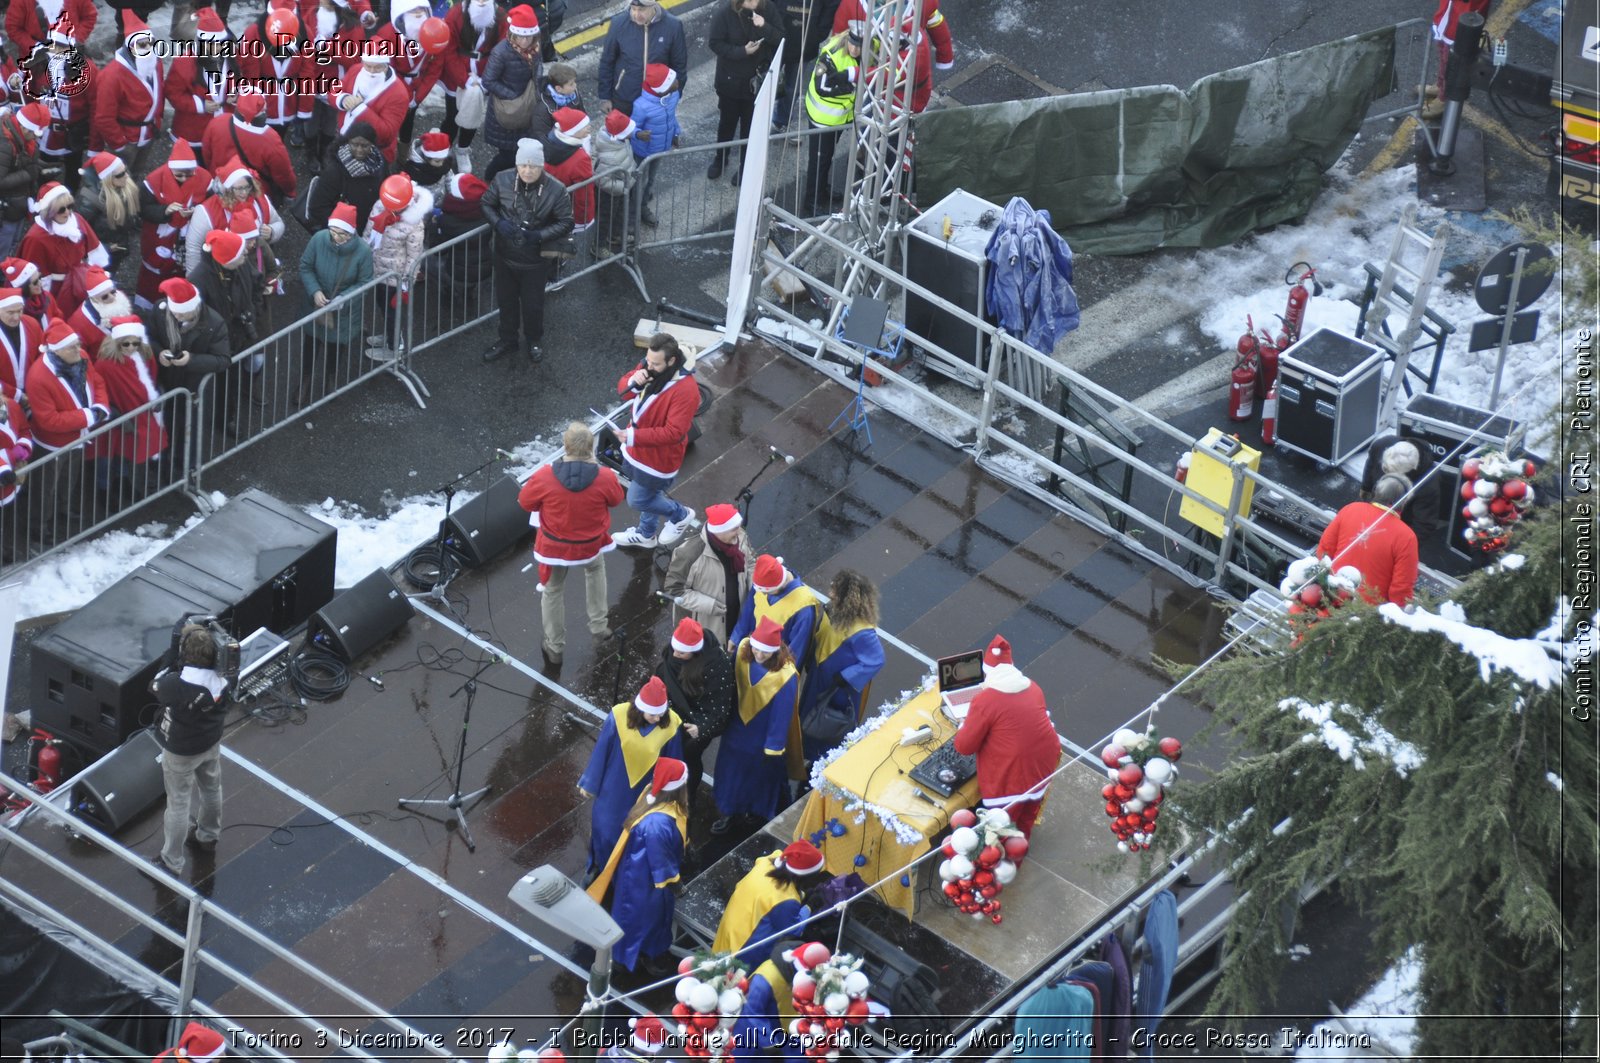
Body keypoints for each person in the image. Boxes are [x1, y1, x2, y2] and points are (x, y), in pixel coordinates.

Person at [517, 421, 625, 663]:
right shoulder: (605, 477)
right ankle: (599, 627)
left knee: (553, 591)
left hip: (554, 547)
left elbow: (525, 502)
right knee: (596, 569)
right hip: (589, 545)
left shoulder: (545, 475)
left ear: (565, 445)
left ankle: (554, 647)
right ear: (591, 447)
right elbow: (617, 499)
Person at [585, 756, 689, 976]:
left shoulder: (653, 798)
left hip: (638, 872)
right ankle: (639, 956)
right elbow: (660, 860)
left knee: (634, 916)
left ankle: (635, 953)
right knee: (645, 919)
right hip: (646, 880)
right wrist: (675, 882)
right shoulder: (658, 824)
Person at [952, 634, 1060, 839]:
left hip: (1011, 775)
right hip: (1042, 767)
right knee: (1025, 821)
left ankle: (997, 866)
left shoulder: (985, 700)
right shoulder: (1033, 687)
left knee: (999, 832)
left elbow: (964, 746)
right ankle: (1019, 853)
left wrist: (964, 724)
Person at [577, 675, 684, 878]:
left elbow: (673, 763)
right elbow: (602, 750)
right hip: (614, 786)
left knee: (633, 835)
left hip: (646, 791)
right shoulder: (618, 716)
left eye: (661, 714)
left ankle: (619, 877)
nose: (658, 719)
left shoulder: (672, 727)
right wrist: (590, 783)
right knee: (605, 828)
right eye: (653, 715)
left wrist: (667, 796)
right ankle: (598, 865)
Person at [150, 619, 235, 875]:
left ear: (186, 654)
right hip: (210, 741)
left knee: (178, 803)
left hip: (181, 751)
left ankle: (171, 861)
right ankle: (208, 836)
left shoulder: (175, 686)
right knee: (211, 788)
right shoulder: (227, 677)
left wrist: (175, 643)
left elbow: (155, 683)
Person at [479, 137, 573, 365]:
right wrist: (498, 223)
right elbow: (486, 203)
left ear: (541, 166)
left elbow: (566, 222)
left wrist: (539, 235)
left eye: (533, 166)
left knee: (533, 306)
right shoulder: (502, 179)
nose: (527, 171)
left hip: (535, 261)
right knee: (506, 302)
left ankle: (534, 340)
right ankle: (507, 339)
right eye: (523, 165)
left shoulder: (556, 189)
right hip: (504, 255)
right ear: (516, 165)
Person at [611, 333, 698, 549]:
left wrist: (633, 437)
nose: (648, 366)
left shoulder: (687, 390)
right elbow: (624, 391)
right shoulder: (650, 365)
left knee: (637, 500)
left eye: (655, 363)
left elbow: (673, 433)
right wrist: (634, 381)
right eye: (647, 360)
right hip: (639, 451)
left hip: (658, 459)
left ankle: (680, 515)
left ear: (671, 361)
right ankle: (646, 533)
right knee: (650, 495)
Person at [714, 615, 798, 834]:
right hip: (735, 728)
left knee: (756, 778)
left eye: (765, 651)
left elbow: (782, 714)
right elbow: (727, 682)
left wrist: (774, 746)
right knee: (730, 773)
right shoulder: (744, 650)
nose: (759, 655)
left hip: (760, 737)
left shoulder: (786, 675)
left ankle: (753, 811)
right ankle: (730, 811)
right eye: (756, 649)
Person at [796, 569, 883, 760]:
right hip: (820, 675)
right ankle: (807, 752)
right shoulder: (833, 610)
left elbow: (876, 659)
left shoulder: (862, 630)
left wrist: (846, 677)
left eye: (835, 589)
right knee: (811, 714)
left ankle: (823, 759)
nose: (830, 592)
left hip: (839, 688)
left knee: (830, 722)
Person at [142, 276, 231, 456]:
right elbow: (148, 337)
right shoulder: (161, 311)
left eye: (182, 314)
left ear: (194, 308)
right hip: (164, 381)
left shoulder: (214, 323)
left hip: (191, 387)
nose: (177, 317)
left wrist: (191, 360)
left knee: (188, 429)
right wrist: (159, 353)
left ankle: (185, 465)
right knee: (163, 426)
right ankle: (163, 465)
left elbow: (223, 360)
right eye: (175, 313)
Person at [296, 202, 373, 404]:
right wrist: (315, 291)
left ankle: (330, 380)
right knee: (311, 345)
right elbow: (305, 266)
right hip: (317, 305)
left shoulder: (363, 252)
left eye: (342, 234)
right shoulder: (319, 239)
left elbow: (365, 282)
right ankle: (305, 380)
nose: (336, 238)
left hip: (344, 312)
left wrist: (343, 298)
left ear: (351, 233)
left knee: (336, 348)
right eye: (333, 232)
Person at [655, 617, 734, 815]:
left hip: (695, 725)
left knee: (689, 760)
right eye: (674, 649)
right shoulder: (676, 654)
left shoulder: (717, 666)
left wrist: (701, 728)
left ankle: (687, 798)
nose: (674, 654)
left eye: (681, 652)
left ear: (695, 651)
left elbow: (720, 708)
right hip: (671, 717)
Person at [712, 839, 827, 968]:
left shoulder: (765, 863)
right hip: (743, 952)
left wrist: (802, 894)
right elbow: (793, 930)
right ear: (803, 876)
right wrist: (809, 907)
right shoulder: (785, 899)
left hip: (728, 934)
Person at [707, 0, 784, 181]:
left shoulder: (768, 9)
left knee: (749, 128)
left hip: (756, 82)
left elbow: (780, 37)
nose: (754, 3)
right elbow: (715, 43)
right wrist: (742, 51)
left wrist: (764, 26)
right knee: (727, 124)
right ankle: (721, 158)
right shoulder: (725, 13)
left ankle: (745, 165)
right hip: (730, 81)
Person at [1315, 474, 1420, 607]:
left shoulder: (1350, 509)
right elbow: (1400, 590)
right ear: (1404, 502)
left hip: (1330, 596)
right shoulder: (1407, 536)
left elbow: (1323, 553)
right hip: (1365, 614)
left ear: (1376, 491)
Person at [92, 316, 168, 496]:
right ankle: (104, 490)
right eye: (126, 344)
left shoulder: (144, 355)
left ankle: (122, 483)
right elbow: (99, 392)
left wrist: (158, 395)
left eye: (136, 343)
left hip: (137, 414)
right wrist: (116, 415)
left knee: (126, 454)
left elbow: (152, 378)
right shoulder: (104, 365)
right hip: (114, 417)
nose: (131, 348)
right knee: (106, 456)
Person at [135, 140, 211, 309]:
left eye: (189, 174)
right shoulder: (153, 181)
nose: (184, 179)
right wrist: (165, 211)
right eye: (179, 175)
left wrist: (196, 212)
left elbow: (211, 205)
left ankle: (183, 303)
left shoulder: (205, 178)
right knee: (155, 270)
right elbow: (143, 210)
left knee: (187, 268)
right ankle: (150, 306)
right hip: (160, 236)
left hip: (189, 234)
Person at [17, 182, 111, 317]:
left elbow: (94, 249)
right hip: (56, 291)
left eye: (70, 206)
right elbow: (34, 276)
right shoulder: (36, 238)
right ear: (49, 211)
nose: (67, 212)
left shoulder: (77, 220)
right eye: (61, 209)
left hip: (81, 281)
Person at [365, 173, 433, 358]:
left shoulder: (414, 223)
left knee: (392, 313)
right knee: (382, 306)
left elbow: (414, 256)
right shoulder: (381, 205)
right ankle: (389, 336)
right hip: (378, 268)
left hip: (395, 278)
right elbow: (369, 232)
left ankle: (394, 348)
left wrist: (406, 283)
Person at [665, 501, 751, 645]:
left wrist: (756, 586)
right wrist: (709, 605)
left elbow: (751, 560)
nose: (739, 532)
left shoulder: (740, 537)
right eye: (734, 529)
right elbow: (674, 590)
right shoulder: (689, 554)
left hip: (737, 615)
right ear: (719, 531)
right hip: (707, 623)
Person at [167, 8, 242, 170]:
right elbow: (173, 94)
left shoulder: (230, 57)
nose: (219, 49)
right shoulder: (184, 62)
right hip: (194, 131)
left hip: (223, 127)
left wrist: (235, 94)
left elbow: (240, 81)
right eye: (213, 45)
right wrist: (201, 105)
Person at [90, 13, 165, 173]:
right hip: (126, 140)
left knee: (136, 177)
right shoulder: (112, 75)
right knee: (117, 185)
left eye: (150, 43)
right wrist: (120, 144)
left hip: (149, 134)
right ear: (130, 47)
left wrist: (158, 120)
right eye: (142, 45)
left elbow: (159, 93)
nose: (148, 49)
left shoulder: (156, 63)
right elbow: (103, 117)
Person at [371, 0, 448, 155]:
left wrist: (417, 97)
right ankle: (384, 154)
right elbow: (387, 69)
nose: (418, 12)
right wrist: (404, 95)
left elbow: (435, 69)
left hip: (416, 88)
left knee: (408, 122)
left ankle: (403, 154)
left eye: (421, 9)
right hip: (393, 89)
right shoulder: (386, 34)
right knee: (388, 123)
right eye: (413, 9)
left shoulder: (436, 32)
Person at [440, 0, 508, 173]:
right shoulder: (455, 14)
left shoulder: (500, 16)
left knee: (474, 115)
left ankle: (463, 149)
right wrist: (464, 79)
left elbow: (502, 51)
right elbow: (448, 49)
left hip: (484, 72)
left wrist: (486, 79)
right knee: (452, 115)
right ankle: (443, 149)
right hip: (457, 73)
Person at [480, 5, 545, 182]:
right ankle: (489, 179)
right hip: (508, 112)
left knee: (521, 153)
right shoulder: (500, 52)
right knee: (508, 156)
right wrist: (513, 97)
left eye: (528, 36)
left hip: (527, 110)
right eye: (521, 36)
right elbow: (488, 80)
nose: (524, 41)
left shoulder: (536, 48)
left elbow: (538, 68)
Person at [324, 39, 413, 167]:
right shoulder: (356, 70)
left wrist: (358, 109)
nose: (371, 72)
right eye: (368, 66)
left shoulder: (399, 93)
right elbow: (334, 91)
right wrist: (342, 99)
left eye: (377, 68)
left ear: (386, 65)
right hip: (344, 142)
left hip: (374, 152)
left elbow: (386, 133)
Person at [802, 21, 861, 214]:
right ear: (848, 39)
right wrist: (848, 87)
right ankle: (811, 201)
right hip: (822, 120)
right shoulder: (831, 54)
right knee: (818, 161)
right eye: (853, 44)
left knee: (826, 158)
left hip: (838, 119)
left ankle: (822, 190)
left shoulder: (865, 51)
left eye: (860, 46)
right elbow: (822, 86)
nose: (855, 49)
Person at [598, 1, 689, 118]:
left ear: (653, 6)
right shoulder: (618, 23)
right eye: (633, 9)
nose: (636, 14)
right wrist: (605, 96)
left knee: (655, 135)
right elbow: (607, 61)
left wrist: (675, 95)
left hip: (658, 100)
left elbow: (679, 65)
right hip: (624, 98)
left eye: (641, 10)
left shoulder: (673, 26)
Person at [202, 92, 297, 204]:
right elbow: (283, 172)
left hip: (223, 185)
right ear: (262, 111)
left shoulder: (218, 122)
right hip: (252, 194)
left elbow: (207, 154)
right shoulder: (270, 139)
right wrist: (290, 192)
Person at [730, 554, 821, 667]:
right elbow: (749, 612)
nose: (762, 594)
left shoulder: (804, 607)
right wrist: (737, 636)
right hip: (752, 653)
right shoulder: (764, 580)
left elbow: (796, 652)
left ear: (779, 586)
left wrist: (780, 679)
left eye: (766, 592)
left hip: (773, 668)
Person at [307, 121, 389, 233]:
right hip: (344, 233)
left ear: (372, 145)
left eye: (365, 146)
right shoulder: (334, 171)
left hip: (371, 227)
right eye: (355, 144)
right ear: (347, 142)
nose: (359, 150)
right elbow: (317, 207)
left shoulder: (380, 162)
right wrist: (342, 227)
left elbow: (387, 186)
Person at [629, 63, 681, 228]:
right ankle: (630, 217)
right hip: (642, 152)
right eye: (672, 82)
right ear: (662, 88)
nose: (677, 83)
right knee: (638, 184)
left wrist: (675, 133)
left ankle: (643, 207)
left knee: (650, 181)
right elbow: (632, 127)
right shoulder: (641, 105)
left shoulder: (673, 95)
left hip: (660, 148)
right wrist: (638, 134)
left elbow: (672, 117)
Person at [75, 154, 140, 274]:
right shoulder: (89, 201)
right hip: (100, 257)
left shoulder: (123, 185)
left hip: (117, 249)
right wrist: (106, 247)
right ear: (107, 179)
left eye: (125, 170)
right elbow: (78, 235)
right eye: (120, 174)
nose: (126, 176)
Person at [1360, 433, 1440, 532]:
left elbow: (1423, 525)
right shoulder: (1382, 444)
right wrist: (1365, 487)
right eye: (1385, 469)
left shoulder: (1429, 483)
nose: (1386, 475)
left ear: (1411, 469)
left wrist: (1404, 544)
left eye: (1391, 472)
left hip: (1402, 522)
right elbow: (1371, 463)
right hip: (1374, 506)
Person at [0, 104, 50, 259]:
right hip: (7, 209)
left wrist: (41, 167)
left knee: (13, 242)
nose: (36, 139)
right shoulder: (5, 144)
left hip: (18, 203)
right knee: (4, 246)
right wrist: (29, 174)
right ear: (24, 128)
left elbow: (26, 162)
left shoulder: (23, 140)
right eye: (35, 135)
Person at [545, 108, 596, 235]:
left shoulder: (550, 141)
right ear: (574, 131)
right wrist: (584, 219)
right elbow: (583, 194)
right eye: (584, 126)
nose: (589, 127)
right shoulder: (581, 159)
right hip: (568, 208)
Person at [64, 266, 131, 357]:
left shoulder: (119, 298)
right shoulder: (79, 323)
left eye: (113, 292)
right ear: (94, 299)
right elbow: (79, 355)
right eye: (105, 297)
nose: (112, 297)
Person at [0, 286, 44, 404]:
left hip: (34, 392)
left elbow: (42, 358)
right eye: (10, 312)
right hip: (4, 398)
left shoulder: (31, 324)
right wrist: (17, 395)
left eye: (19, 311)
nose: (16, 317)